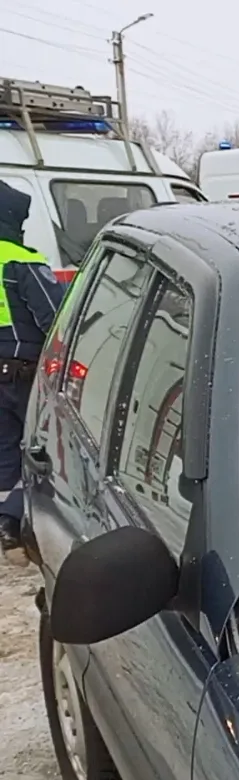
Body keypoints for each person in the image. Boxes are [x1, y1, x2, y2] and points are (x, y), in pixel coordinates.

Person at [0, 181, 66, 565]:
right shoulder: (21, 261)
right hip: (23, 376)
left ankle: (5, 526)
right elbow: (54, 319)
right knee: (38, 448)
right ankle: (20, 525)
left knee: (4, 451)